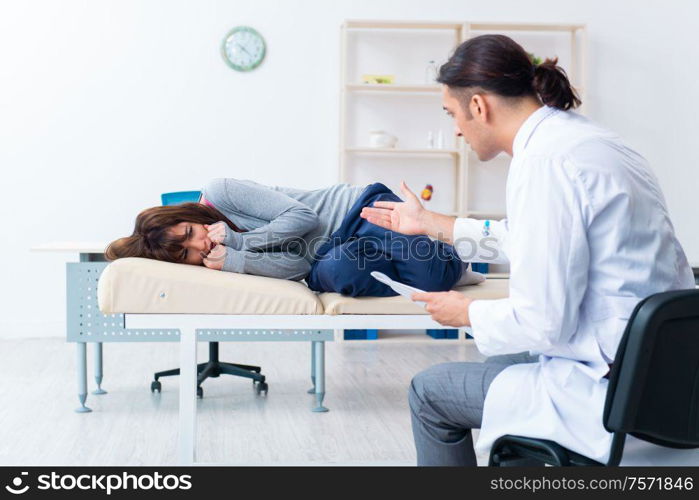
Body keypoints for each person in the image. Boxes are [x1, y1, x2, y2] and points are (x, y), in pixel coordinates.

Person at [361, 34, 694, 465]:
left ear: (478, 106)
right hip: (666, 368)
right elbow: (529, 237)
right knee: (503, 358)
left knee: (429, 392)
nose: (457, 130)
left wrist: (464, 312)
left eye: (453, 115)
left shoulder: (542, 164)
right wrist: (427, 223)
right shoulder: (587, 140)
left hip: (609, 387)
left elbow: (543, 322)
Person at [105, 179, 473, 297]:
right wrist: (237, 261)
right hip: (328, 254)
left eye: (190, 232)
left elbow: (304, 216)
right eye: (187, 253)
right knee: (343, 271)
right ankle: (407, 257)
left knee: (434, 277)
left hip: (355, 213)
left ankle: (449, 259)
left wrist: (242, 243)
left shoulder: (223, 192)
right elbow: (297, 266)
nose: (200, 244)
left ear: (189, 214)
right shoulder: (218, 260)